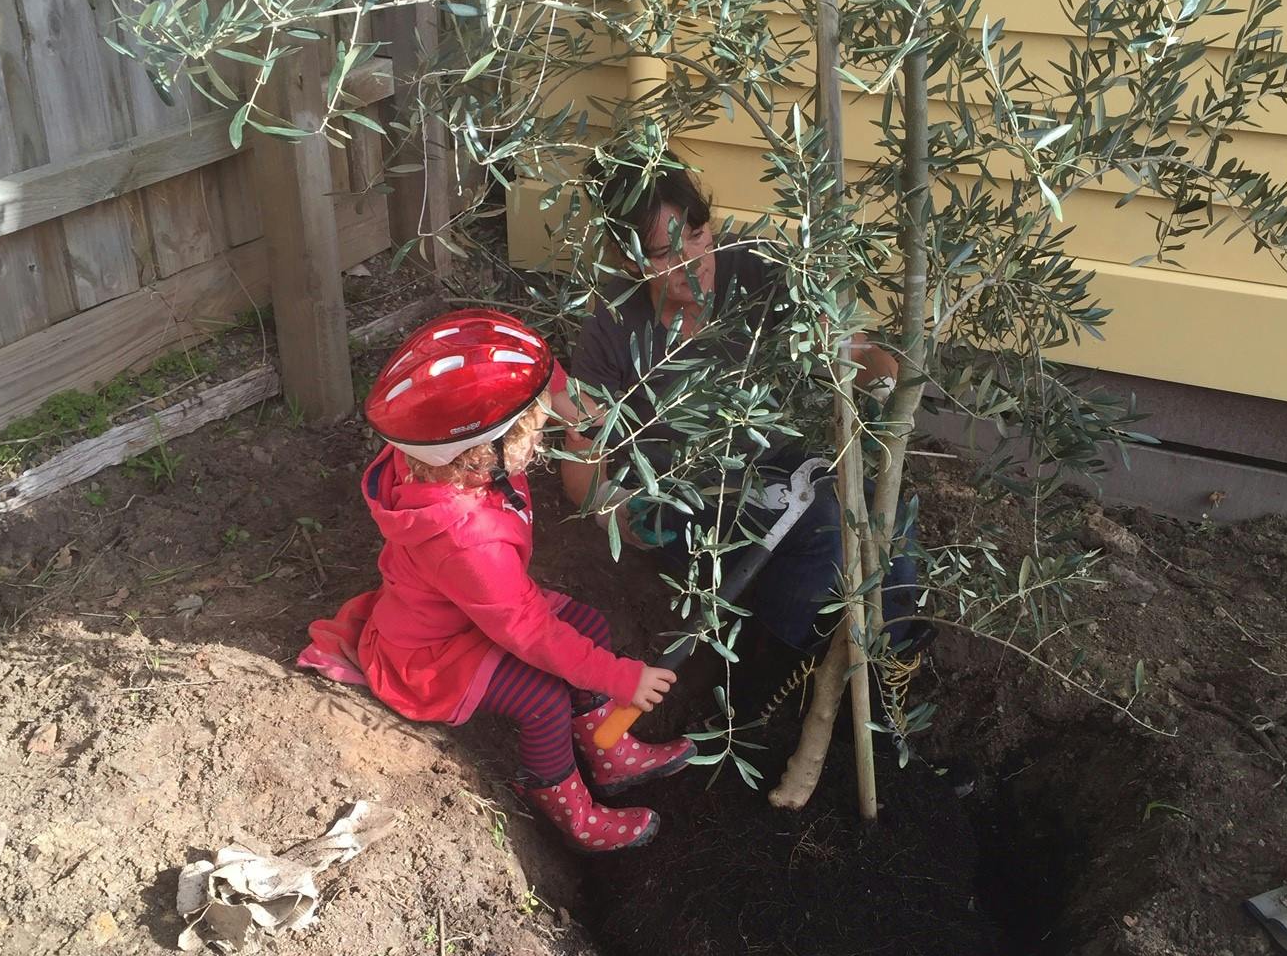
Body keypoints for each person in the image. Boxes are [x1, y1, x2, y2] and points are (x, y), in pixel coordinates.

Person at [297, 308, 695, 852]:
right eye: (531, 431)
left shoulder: (436, 451)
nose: (542, 439)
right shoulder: (467, 540)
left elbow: (533, 379)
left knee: (588, 622)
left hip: (469, 611)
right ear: (485, 450)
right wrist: (623, 678)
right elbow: (530, 632)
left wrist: (572, 401)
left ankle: (609, 751)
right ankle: (568, 809)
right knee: (541, 700)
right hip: (433, 654)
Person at [554, 162, 929, 715]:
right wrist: (612, 508)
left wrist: (883, 379)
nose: (692, 262)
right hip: (685, 489)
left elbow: (846, 346)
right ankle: (763, 694)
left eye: (698, 235)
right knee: (822, 526)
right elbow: (582, 458)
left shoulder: (751, 269)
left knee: (887, 514)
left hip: (773, 461)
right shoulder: (612, 327)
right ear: (626, 257)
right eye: (665, 254)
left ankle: (892, 675)